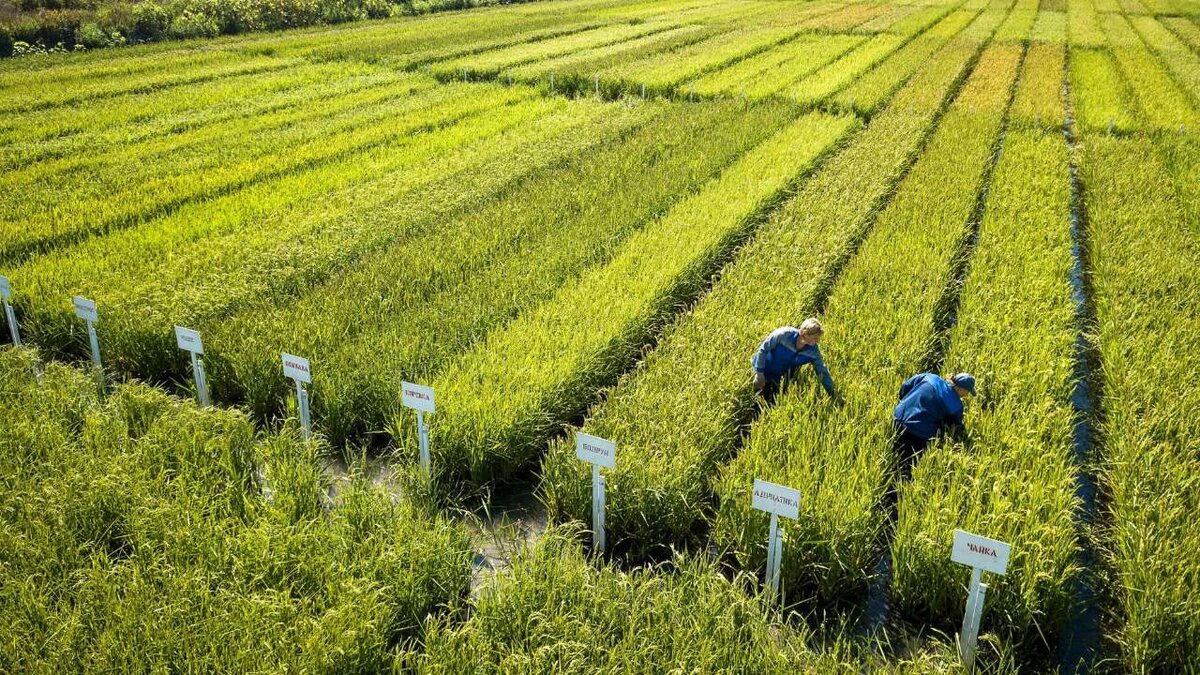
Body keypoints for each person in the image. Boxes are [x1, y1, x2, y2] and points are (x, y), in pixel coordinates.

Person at [892, 372, 976, 477]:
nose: (967, 395)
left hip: (898, 416)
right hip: (918, 433)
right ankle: (902, 483)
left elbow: (906, 386)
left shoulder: (930, 377)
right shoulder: (955, 406)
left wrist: (905, 403)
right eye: (967, 392)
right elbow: (954, 426)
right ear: (961, 389)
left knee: (894, 450)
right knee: (909, 464)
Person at [751, 318, 835, 400]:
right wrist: (759, 373)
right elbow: (763, 350)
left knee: (774, 400)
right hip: (762, 369)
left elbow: (822, 372)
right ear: (805, 334)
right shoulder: (782, 335)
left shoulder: (813, 351)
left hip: (780, 378)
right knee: (756, 397)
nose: (818, 341)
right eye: (815, 338)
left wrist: (833, 393)